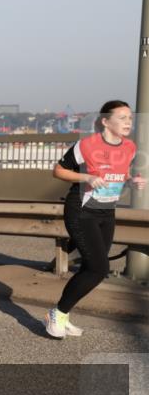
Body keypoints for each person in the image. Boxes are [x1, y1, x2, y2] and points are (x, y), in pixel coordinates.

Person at [48, 100, 145, 338]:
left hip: (106, 212)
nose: (128, 122)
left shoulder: (130, 147)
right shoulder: (87, 145)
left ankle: (63, 314)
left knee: (92, 267)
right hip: (82, 210)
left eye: (130, 118)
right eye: (122, 118)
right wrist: (87, 178)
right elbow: (58, 170)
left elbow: (122, 172)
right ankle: (57, 314)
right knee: (99, 269)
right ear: (105, 121)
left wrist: (133, 181)